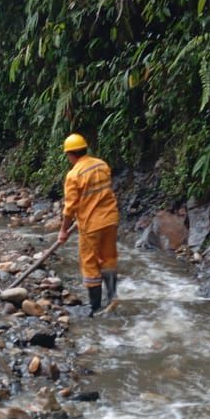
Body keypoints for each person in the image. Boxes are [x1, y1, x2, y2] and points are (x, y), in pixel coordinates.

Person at [57, 133, 119, 314]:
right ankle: (112, 297)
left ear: (70, 154)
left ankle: (95, 306)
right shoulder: (102, 164)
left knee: (90, 262)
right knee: (109, 258)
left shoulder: (74, 174)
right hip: (111, 219)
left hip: (91, 224)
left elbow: (70, 208)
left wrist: (63, 231)